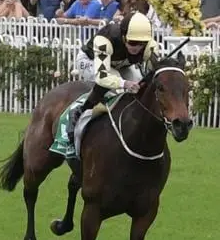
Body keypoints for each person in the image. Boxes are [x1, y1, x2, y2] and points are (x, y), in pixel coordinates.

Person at [66, 11, 159, 143]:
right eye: (132, 42)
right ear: (123, 36)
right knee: (117, 88)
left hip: (120, 64)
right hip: (91, 60)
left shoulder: (150, 47)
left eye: (141, 44)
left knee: (138, 88)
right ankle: (80, 110)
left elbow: (155, 74)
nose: (137, 48)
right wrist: (124, 84)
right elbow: (102, 77)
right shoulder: (105, 40)